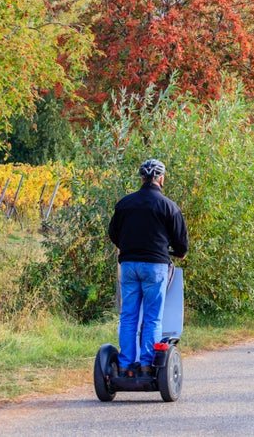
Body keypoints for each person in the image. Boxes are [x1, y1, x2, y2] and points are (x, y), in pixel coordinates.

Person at [108, 159, 189, 379]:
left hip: (129, 265)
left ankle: (125, 364)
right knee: (153, 317)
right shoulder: (168, 206)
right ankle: (146, 365)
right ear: (161, 179)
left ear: (142, 178)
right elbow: (181, 242)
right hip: (155, 266)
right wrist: (179, 252)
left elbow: (113, 234)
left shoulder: (124, 204)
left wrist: (128, 246)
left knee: (128, 315)